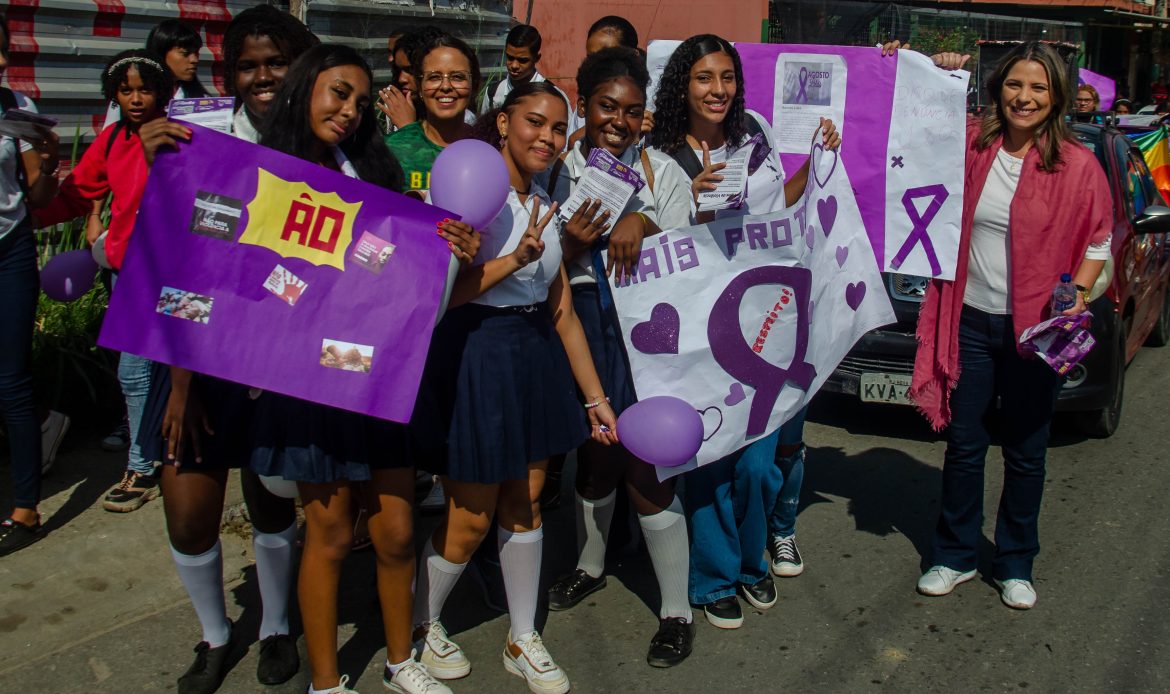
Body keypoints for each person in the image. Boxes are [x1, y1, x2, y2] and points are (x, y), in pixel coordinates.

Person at [249, 43, 477, 694]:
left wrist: (451, 247)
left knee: (398, 532)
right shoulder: (264, 173)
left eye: (359, 99)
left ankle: (402, 662)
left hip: (374, 377)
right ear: (303, 90)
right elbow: (248, 274)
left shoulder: (376, 172)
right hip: (307, 383)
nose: (349, 110)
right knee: (326, 533)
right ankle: (326, 682)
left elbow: (401, 269)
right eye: (337, 93)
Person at [409, 80, 618, 694]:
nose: (546, 138)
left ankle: (522, 637)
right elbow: (439, 299)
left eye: (557, 128)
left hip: (533, 357)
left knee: (525, 501)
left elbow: (563, 313)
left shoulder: (547, 202)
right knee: (471, 516)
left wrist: (596, 399)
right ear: (502, 123)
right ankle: (421, 622)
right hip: (475, 355)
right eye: (534, 122)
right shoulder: (467, 200)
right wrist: (513, 259)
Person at [134, 7, 319, 692]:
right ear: (229, 73)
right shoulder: (197, 139)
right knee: (189, 516)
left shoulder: (322, 145)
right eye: (248, 65)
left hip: (280, 357)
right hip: (195, 357)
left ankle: (275, 625)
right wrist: (182, 382)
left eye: (277, 63)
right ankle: (214, 634)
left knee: (272, 503)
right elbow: (175, 261)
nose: (263, 76)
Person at [896, 40, 1111, 610]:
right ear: (998, 89)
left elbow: (1099, 240)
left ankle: (1016, 563)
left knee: (1026, 451)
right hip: (968, 321)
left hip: (1037, 331)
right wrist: (929, 69)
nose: (1025, 97)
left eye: (1039, 87)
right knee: (965, 446)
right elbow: (914, 132)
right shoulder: (972, 143)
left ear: (1056, 97)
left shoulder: (1078, 164)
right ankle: (954, 555)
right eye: (1015, 84)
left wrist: (1079, 291)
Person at [649, 33, 839, 629]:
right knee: (711, 459)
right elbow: (655, 245)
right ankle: (714, 579)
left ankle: (752, 563)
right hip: (699, 328)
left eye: (727, 77)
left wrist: (816, 164)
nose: (718, 90)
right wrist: (696, 207)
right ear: (682, 84)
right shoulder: (659, 155)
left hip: (765, 317)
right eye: (704, 78)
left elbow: (777, 210)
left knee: (758, 463)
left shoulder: (754, 133)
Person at [539, 46, 699, 667]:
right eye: (608, 107)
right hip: (577, 326)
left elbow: (692, 263)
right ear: (584, 105)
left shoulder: (665, 174)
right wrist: (571, 244)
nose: (620, 121)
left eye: (633, 111)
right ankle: (590, 564)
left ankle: (677, 611)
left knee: (647, 465)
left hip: (647, 332)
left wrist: (645, 227)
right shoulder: (555, 169)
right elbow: (529, 263)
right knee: (595, 457)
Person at [35, 50, 174, 514]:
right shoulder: (113, 138)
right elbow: (77, 192)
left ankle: (142, 466)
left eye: (145, 89)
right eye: (125, 91)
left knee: (138, 372)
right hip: (123, 273)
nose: (135, 99)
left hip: (163, 273)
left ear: (162, 93)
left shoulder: (180, 135)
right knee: (144, 371)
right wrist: (24, 214)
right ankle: (154, 455)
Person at [0, 10, 63, 557]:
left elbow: (38, 197)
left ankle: (25, 507)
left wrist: (48, 163)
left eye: (3, 48)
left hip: (10, 253)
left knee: (12, 380)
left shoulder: (16, 109)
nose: (2, 60)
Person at [384, 32, 480, 193]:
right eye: (434, 77)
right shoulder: (391, 149)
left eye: (457, 77)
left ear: (474, 85)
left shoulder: (488, 147)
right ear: (420, 86)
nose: (445, 86)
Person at [481, 24, 568, 113]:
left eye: (522, 60)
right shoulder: (493, 93)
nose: (514, 65)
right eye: (510, 58)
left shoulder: (554, 97)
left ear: (537, 58)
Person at [377, 25, 443, 133]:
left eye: (411, 70)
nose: (401, 79)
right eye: (398, 70)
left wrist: (408, 128)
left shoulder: (455, 117)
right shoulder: (397, 101)